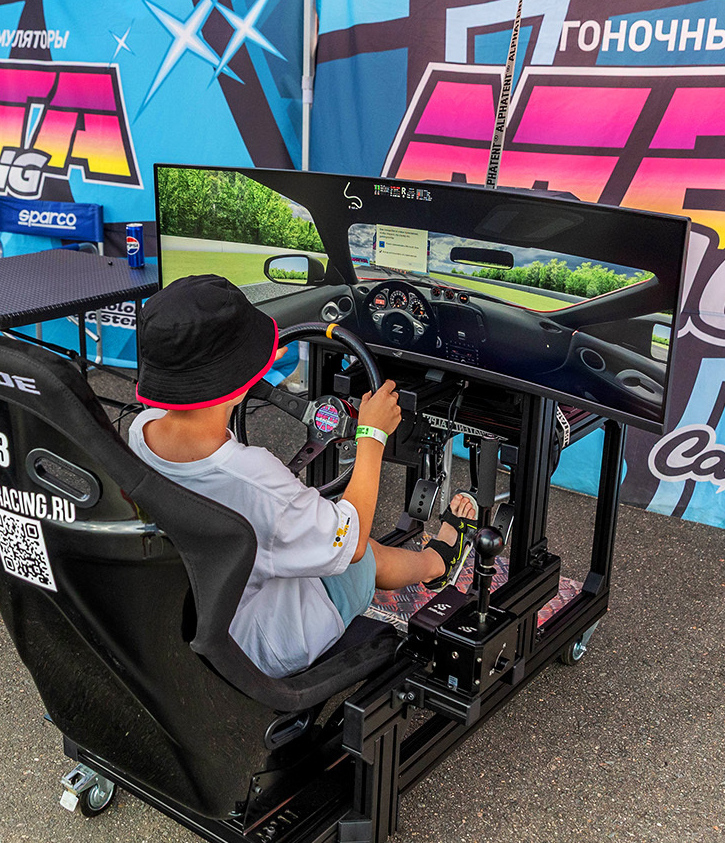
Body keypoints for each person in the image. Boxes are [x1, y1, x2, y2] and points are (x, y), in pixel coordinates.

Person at [129, 274, 478, 679]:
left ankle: (431, 563)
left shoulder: (141, 431)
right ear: (240, 384)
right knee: (361, 554)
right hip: (261, 644)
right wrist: (372, 435)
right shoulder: (257, 482)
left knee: (320, 531)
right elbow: (353, 540)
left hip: (196, 614)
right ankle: (438, 563)